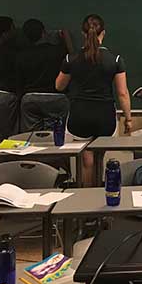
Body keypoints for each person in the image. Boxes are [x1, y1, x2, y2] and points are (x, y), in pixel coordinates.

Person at [55, 14, 132, 186]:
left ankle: (85, 203)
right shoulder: (115, 60)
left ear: (83, 34)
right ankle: (99, 199)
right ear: (103, 33)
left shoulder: (71, 58)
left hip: (79, 115)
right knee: (100, 157)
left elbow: (59, 86)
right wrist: (128, 119)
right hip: (105, 116)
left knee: (86, 161)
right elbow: (122, 93)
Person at [16, 18, 72, 132]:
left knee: (30, 138)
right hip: (55, 98)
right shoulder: (57, 51)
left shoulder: (21, 55)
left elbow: (18, 80)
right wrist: (66, 38)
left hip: (30, 98)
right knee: (53, 138)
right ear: (43, 33)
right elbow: (72, 60)